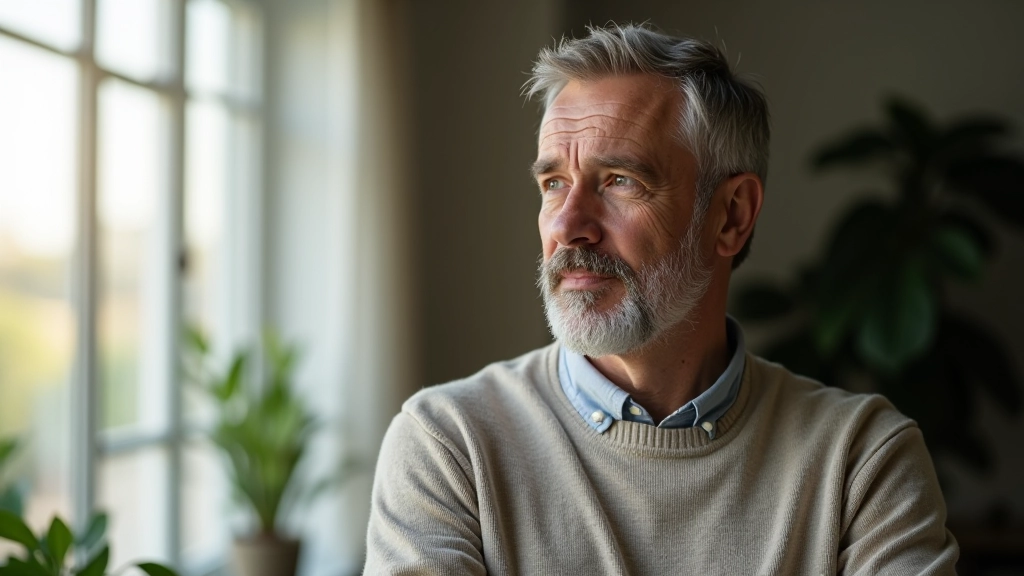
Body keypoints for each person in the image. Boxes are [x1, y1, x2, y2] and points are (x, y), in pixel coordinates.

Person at [364, 23, 958, 575]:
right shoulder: (450, 446)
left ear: (731, 216)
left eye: (620, 181)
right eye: (553, 184)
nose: (568, 225)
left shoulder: (862, 462)